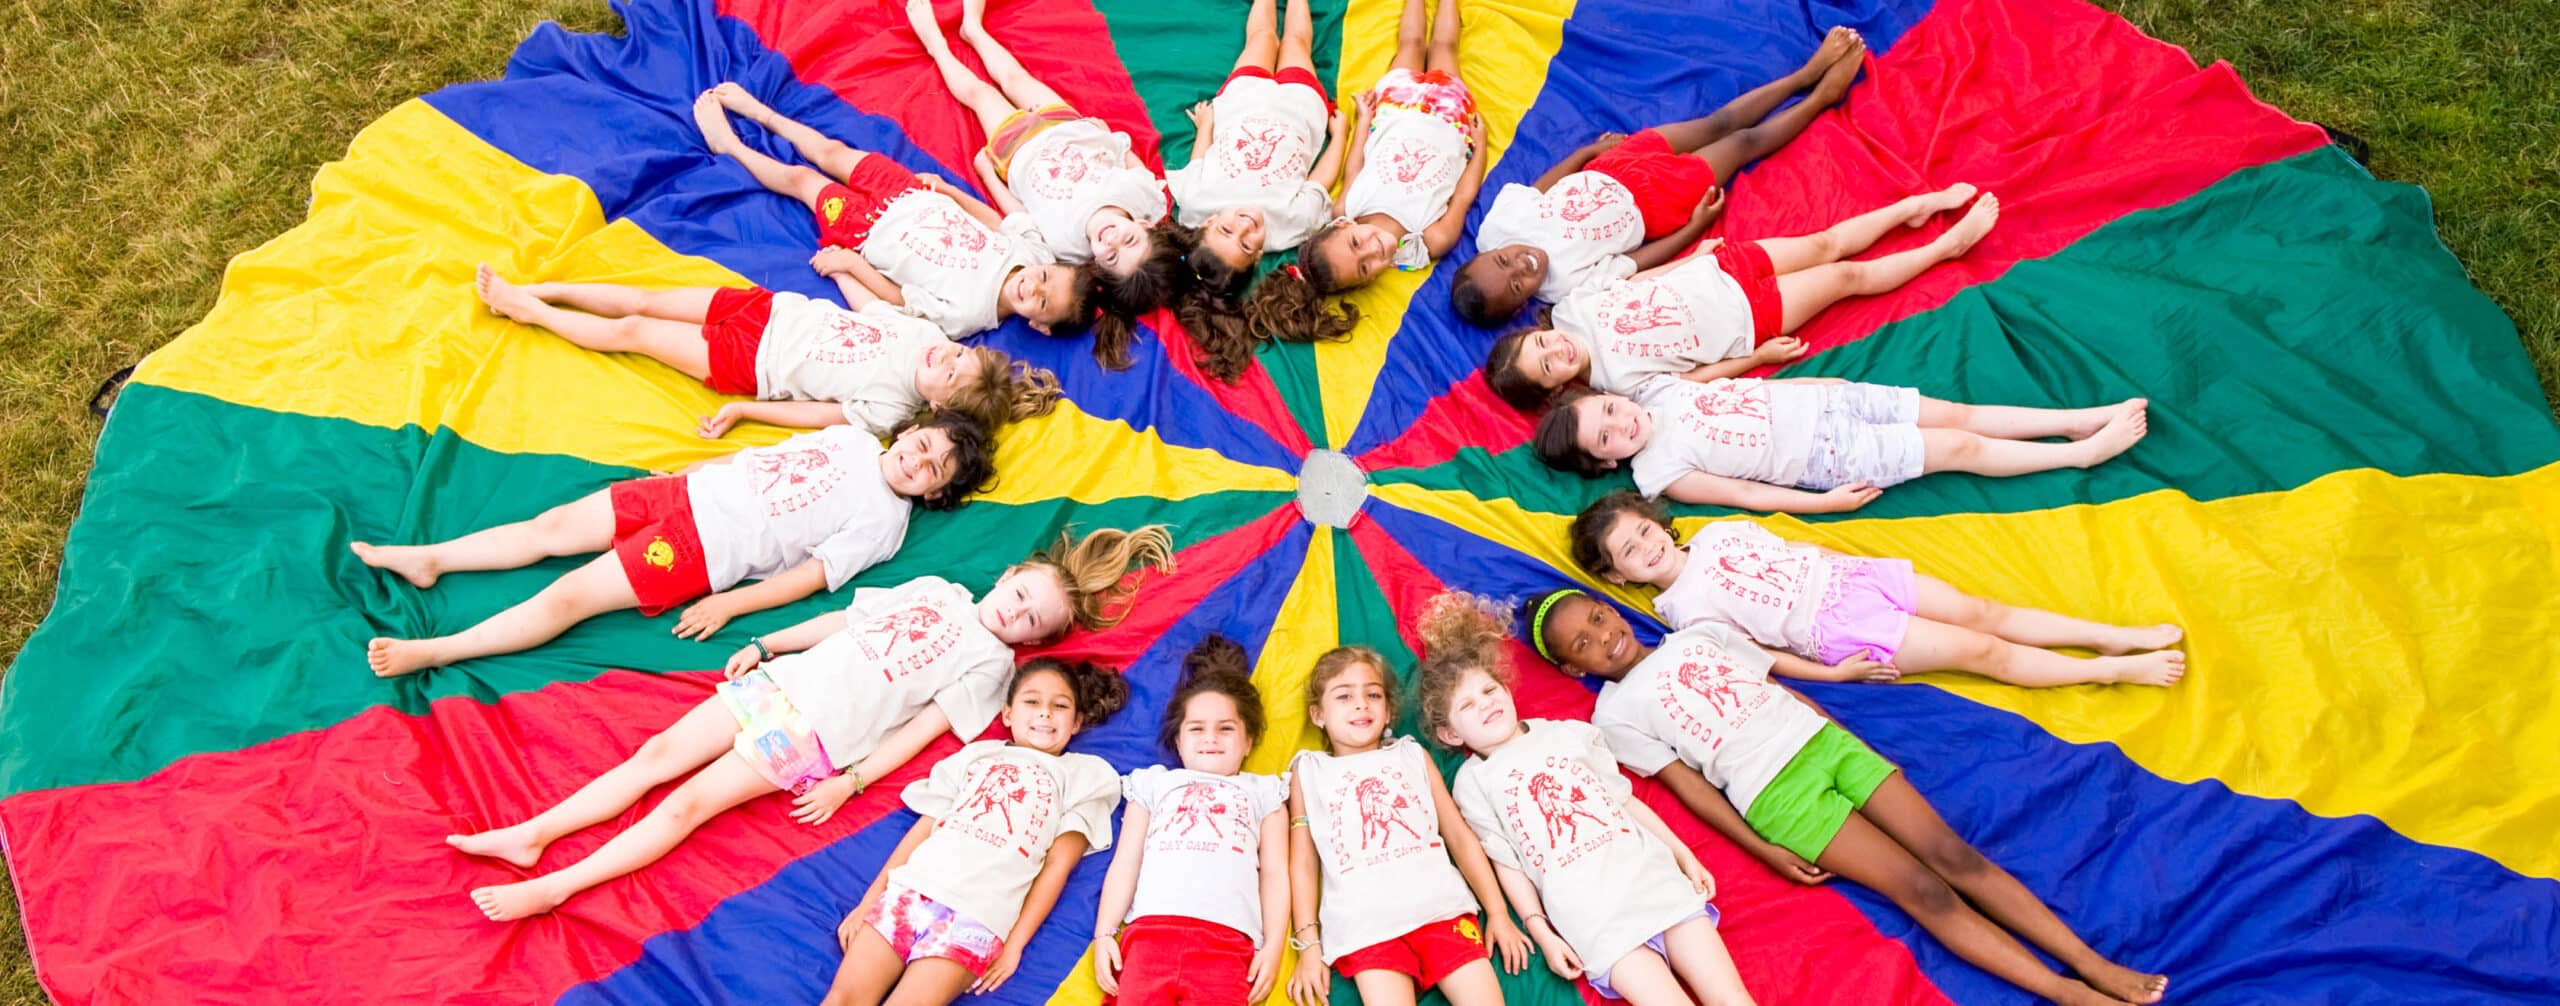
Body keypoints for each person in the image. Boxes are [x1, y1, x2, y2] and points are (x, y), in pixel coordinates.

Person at [441, 525, 1173, 921]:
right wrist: (765, 642)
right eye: (1024, 594)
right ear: (1011, 574)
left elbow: (915, 737)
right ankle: (536, 834)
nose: (1019, 611)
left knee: (687, 804)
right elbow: (838, 622)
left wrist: (849, 782)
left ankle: (562, 884)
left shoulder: (991, 669)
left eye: (1035, 620)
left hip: (811, 738)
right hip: (777, 683)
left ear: (1036, 641)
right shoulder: (936, 589)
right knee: (656, 753)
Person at [1526, 589, 2170, 1006]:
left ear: (1610, 609)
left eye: (1598, 617)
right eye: (1581, 644)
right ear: (1573, 669)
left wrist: (1847, 743)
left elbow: (1788, 692)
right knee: (1922, 891)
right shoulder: (1615, 715)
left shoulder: (1696, 637)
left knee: (1955, 855)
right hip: (1779, 798)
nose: (1602, 635)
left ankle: (2090, 961)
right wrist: (1764, 847)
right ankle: (2066, 992)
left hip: (1829, 748)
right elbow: (1689, 787)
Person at [350, 415, 990, 676]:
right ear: (912, 428)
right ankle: (435, 558)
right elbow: (763, 458)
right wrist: (685, 474)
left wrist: (730, 607)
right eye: (923, 444)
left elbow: (809, 577)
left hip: (701, 551)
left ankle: (435, 651)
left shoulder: (886, 522)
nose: (917, 460)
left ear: (935, 493)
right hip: (682, 496)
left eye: (933, 469)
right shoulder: (852, 437)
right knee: (549, 529)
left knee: (570, 596)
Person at [1418, 592, 1754, 1005]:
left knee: (1732, 999)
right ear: (1451, 734)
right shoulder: (1474, 781)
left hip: (1655, 883)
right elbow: (1507, 863)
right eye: (1467, 706)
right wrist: (1540, 930)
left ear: (1506, 686)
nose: (1486, 704)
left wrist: (1685, 856)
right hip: (1595, 922)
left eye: (1489, 690)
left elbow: (1627, 802)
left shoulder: (1567, 734)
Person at [1452, 27, 1868, 326]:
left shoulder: (1498, 228)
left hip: (1615, 166)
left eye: (1504, 261)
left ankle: (1803, 75)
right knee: (1742, 143)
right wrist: (1693, 228)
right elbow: (1635, 262)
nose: (1522, 265)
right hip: (1657, 203)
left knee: (1716, 121)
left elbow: (1539, 189)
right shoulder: (1564, 289)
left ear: (1490, 251)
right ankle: (1821, 99)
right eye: (1518, 285)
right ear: (1522, 305)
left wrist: (1588, 152)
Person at [1569, 491, 2186, 687]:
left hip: (1853, 580)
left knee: (1983, 611)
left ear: (1657, 521)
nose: (1647, 546)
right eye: (1630, 552)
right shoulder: (1682, 611)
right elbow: (1759, 656)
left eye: (1644, 531)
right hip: (1837, 629)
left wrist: (1844, 565)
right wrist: (1835, 675)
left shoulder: (1717, 533)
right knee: (1980, 651)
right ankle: (2107, 673)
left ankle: (2112, 638)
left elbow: (1793, 549)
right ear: (1621, 575)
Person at [691, 83, 1112, 348]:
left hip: (868, 230)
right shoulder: (1032, 250)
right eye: (1043, 278)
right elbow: (994, 220)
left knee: (802, 179)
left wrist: (851, 262)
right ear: (1048, 266)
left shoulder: (966, 317)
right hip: (907, 193)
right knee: (831, 152)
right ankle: (764, 115)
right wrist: (948, 191)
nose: (1031, 286)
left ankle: (731, 146)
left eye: (1040, 301)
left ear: (1039, 325)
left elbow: (898, 298)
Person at [819, 657, 1131, 1006]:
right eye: (1031, 702)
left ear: (1076, 722)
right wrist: (869, 900)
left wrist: (1014, 945)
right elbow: (924, 829)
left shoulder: (1082, 775)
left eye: (1059, 706)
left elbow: (1058, 865)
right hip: (910, 891)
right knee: (843, 998)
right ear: (1007, 713)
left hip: (977, 916)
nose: (1045, 713)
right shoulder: (976, 756)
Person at [471, 266, 1059, 438]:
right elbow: (870, 312)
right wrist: (848, 267)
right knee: (647, 299)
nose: (947, 360)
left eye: (952, 377)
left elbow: (815, 414)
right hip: (768, 309)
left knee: (633, 330)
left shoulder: (890, 409)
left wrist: (748, 409)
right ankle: (543, 289)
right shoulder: (924, 337)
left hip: (749, 362)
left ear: (938, 408)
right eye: (959, 355)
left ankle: (530, 312)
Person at [906, 0, 1179, 357]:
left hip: (1017, 152)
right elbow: (1132, 163)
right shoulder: (1145, 198)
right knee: (1015, 77)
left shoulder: (1066, 248)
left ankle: (935, 45)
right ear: (1144, 225)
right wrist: (1110, 140)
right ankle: (974, 30)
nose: (1110, 239)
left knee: (981, 94)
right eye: (1127, 240)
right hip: (1066, 125)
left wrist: (989, 174)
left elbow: (1018, 214)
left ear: (1096, 265)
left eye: (1110, 257)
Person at [1284, 646, 1530, 1006]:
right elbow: (1303, 863)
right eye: (1344, 696)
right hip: (1367, 929)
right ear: (1318, 714)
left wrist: (1497, 912)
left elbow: (1459, 837)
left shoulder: (1411, 754)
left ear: (1388, 711)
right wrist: (1308, 947)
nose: (1361, 705)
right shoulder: (1308, 771)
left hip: (1441, 911)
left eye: (1373, 694)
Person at [1240, 0, 1488, 345]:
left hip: (1396, 106)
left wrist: (1365, 120)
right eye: (1364, 267)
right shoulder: (1426, 242)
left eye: (1356, 244)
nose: (1373, 250)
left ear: (1342, 226)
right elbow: (1463, 195)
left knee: (1411, 45)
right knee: (1445, 46)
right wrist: (1481, 144)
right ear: (1364, 284)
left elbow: (1356, 163)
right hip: (1448, 113)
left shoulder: (1347, 208)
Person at [1533, 379, 2150, 514]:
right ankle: (2077, 455)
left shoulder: (1659, 393)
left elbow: (1746, 387)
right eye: (1608, 437)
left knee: (1959, 411)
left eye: (1609, 411)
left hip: (1833, 401)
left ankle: (2075, 420)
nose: (1622, 424)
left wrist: (1824, 384)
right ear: (1607, 461)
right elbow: (1743, 492)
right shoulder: (1659, 470)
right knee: (1958, 445)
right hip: (1829, 458)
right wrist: (1824, 505)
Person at [1091, 635, 1290, 1004]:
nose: (1210, 738)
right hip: (1150, 936)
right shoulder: (1154, 784)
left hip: (1228, 944)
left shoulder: (1264, 792)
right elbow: (1127, 860)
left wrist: (1273, 947)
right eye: (1196, 728)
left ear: (1248, 742)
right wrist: (1104, 933)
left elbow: (1276, 873)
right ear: (1178, 741)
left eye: (1226, 728)